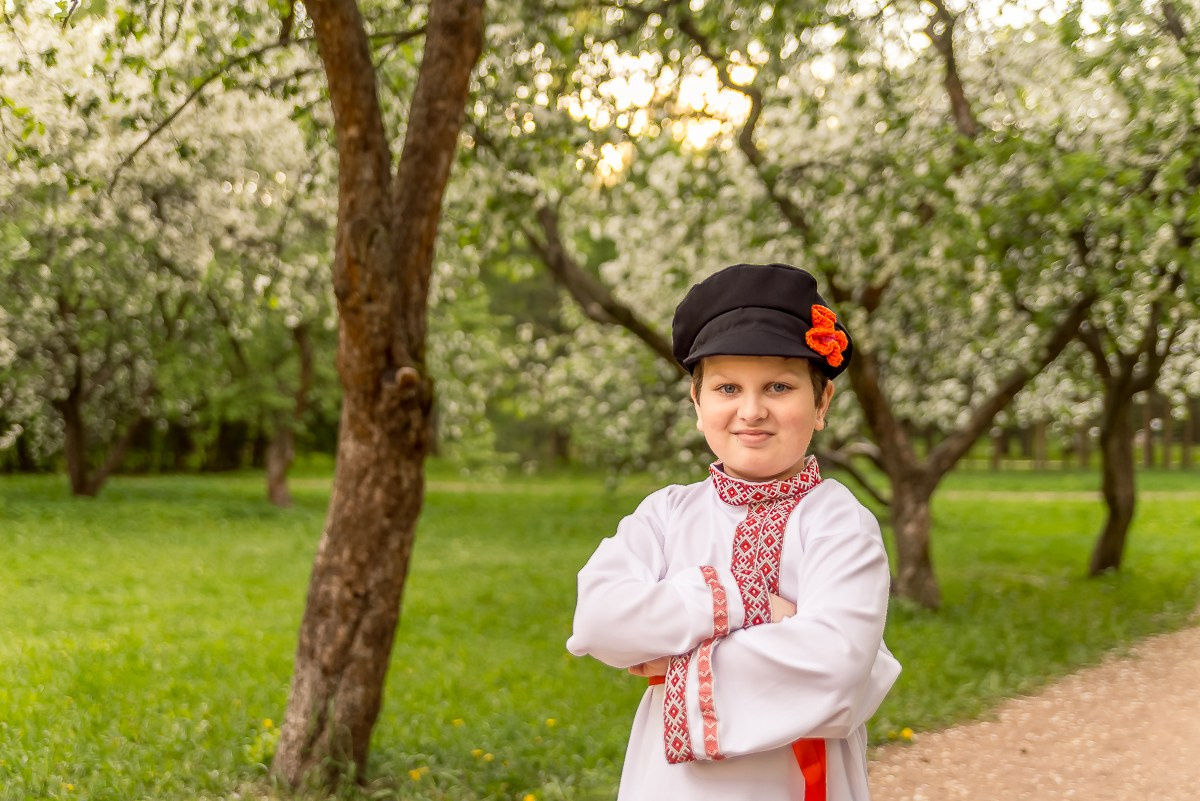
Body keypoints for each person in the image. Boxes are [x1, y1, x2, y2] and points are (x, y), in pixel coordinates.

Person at [566, 263, 901, 801]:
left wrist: (674, 655)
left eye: (778, 386)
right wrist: (742, 601)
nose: (752, 411)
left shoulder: (839, 523)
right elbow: (598, 619)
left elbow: (834, 670)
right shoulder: (665, 515)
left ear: (821, 404)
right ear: (698, 406)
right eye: (726, 387)